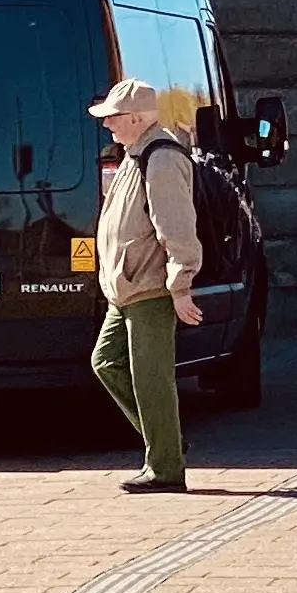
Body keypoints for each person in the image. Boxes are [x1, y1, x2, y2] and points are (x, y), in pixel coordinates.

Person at [87, 76, 204, 494]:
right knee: (108, 363)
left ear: (136, 118)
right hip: (129, 288)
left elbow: (175, 226)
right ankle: (166, 441)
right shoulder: (137, 154)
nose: (107, 125)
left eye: (113, 118)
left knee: (150, 376)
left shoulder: (160, 158)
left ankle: (166, 467)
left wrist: (181, 283)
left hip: (150, 286)